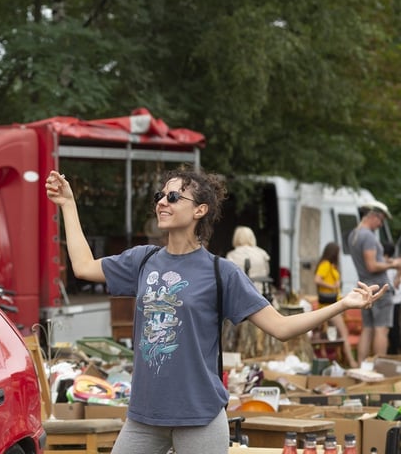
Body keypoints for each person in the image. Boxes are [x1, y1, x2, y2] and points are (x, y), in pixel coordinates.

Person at [45, 166, 386, 454]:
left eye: (174, 197)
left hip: (200, 417)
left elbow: (281, 327)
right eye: (160, 197)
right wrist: (68, 205)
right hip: (143, 416)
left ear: (200, 210)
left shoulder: (220, 272)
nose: (163, 202)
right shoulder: (142, 260)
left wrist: (343, 304)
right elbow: (83, 267)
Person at [348, 201, 401, 362]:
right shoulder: (368, 236)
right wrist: (394, 263)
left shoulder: (354, 234)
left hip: (365, 287)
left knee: (368, 329)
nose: (380, 224)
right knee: (381, 330)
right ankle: (379, 368)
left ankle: (361, 366)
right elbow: (372, 265)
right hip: (379, 289)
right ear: (374, 216)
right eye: (381, 220)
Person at [313, 242, 358, 367]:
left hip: (331, 303)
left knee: (332, 336)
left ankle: (337, 362)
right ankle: (352, 362)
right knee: (343, 334)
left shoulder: (329, 265)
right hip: (329, 305)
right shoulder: (326, 265)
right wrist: (332, 286)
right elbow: (317, 279)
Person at [225, 226, 271, 296]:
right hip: (262, 293)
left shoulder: (231, 255)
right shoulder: (262, 253)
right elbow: (267, 272)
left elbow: (228, 277)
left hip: (240, 294)